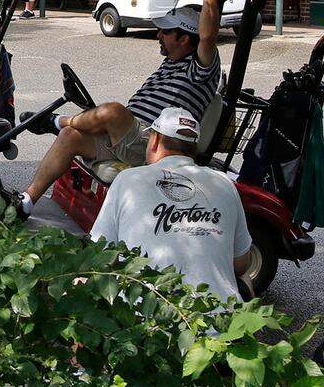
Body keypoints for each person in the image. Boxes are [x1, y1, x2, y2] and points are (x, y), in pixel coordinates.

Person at [19, 0, 223, 216]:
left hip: (157, 143)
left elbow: (208, 37)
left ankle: (54, 121)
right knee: (70, 136)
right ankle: (26, 201)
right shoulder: (172, 59)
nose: (159, 35)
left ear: (185, 39)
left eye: (166, 32)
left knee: (113, 111)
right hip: (128, 137)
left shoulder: (200, 67)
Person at [91, 106, 253, 303]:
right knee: (245, 280)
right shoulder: (225, 183)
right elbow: (242, 265)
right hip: (220, 326)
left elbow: (99, 252)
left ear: (155, 140)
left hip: (146, 323)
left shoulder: (127, 180)